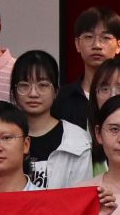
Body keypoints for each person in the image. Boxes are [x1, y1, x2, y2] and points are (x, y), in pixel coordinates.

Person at [10, 50, 91, 190]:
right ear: (14, 91)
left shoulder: (77, 139)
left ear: (56, 91)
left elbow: (80, 196)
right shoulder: (2, 137)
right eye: (24, 85)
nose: (33, 93)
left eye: (43, 85)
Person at [53, 7, 120, 127]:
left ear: (119, 46)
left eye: (106, 38)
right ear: (77, 44)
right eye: (88, 37)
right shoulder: (61, 99)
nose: (97, 45)